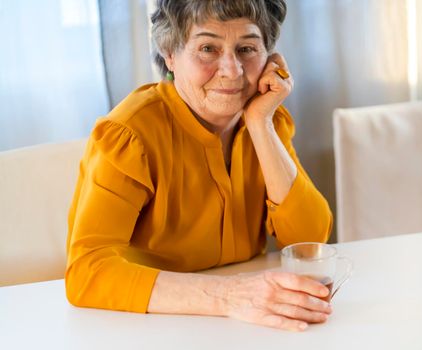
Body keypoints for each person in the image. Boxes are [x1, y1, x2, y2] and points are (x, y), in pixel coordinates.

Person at [66, 0, 332, 332]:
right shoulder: (130, 135)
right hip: (147, 326)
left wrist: (260, 124)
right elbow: (87, 272)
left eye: (247, 48)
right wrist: (230, 296)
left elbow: (308, 240)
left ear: (270, 59)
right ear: (170, 54)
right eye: (208, 48)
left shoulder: (267, 119)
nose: (232, 70)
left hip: (248, 326)